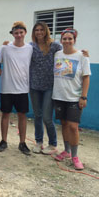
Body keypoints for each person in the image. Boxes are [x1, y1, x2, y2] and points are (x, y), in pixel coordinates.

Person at [53, 28, 90, 170]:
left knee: (73, 127)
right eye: (65, 38)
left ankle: (75, 156)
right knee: (64, 124)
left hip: (74, 98)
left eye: (70, 38)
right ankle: (66, 151)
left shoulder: (82, 56)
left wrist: (84, 96)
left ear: (74, 40)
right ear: (61, 40)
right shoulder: (57, 54)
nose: (67, 41)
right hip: (59, 96)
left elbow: (86, 78)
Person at [0, 21, 33, 155]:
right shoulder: (5, 48)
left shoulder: (30, 48)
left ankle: (22, 143)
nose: (18, 35)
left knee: (22, 115)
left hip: (23, 88)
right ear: (13, 34)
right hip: (6, 88)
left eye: (21, 32)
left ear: (25, 33)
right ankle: (3, 140)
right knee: (5, 114)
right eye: (16, 33)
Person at [29, 22, 62, 155]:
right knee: (37, 115)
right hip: (34, 86)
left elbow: (67, 54)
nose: (39, 32)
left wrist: (83, 55)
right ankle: (39, 142)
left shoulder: (54, 46)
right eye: (36, 30)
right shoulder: (31, 46)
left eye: (41, 29)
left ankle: (53, 144)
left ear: (46, 31)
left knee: (47, 117)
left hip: (50, 86)